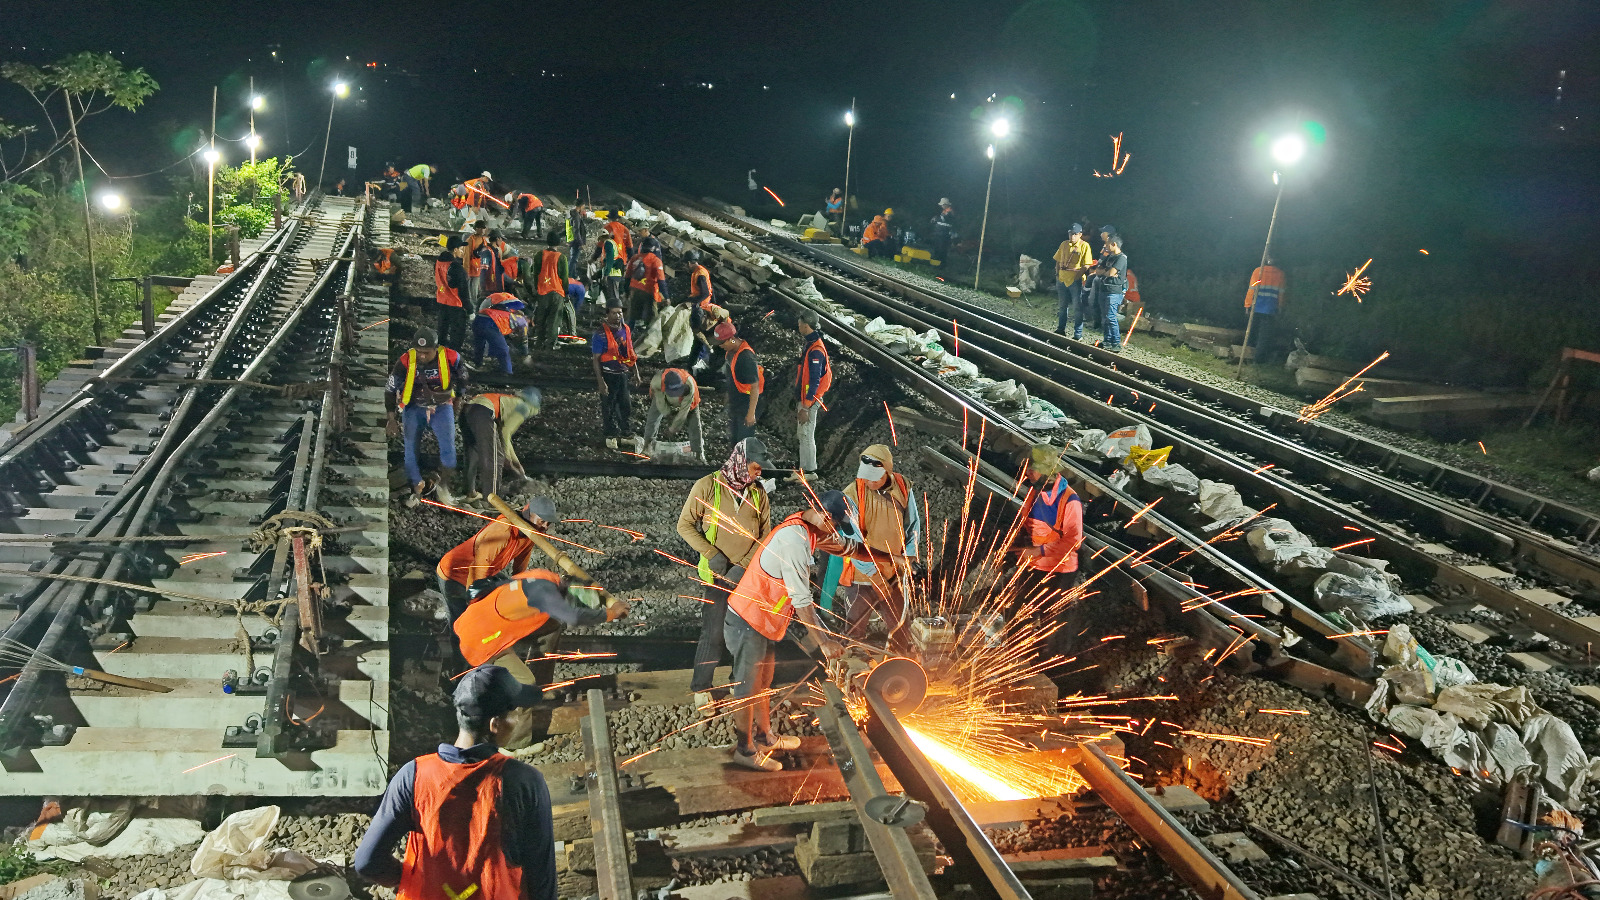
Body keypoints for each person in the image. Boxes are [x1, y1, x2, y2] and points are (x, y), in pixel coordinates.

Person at [352, 664, 558, 900]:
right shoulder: (524, 781)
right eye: (515, 712)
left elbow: (367, 861)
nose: (518, 718)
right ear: (495, 724)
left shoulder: (413, 775)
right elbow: (542, 879)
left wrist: (410, 878)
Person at [723, 490, 860, 770]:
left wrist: (890, 558)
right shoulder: (796, 541)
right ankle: (745, 752)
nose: (834, 532)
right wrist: (823, 642)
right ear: (825, 516)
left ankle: (764, 737)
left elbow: (845, 547)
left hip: (763, 623)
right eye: (835, 525)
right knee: (747, 690)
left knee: (762, 684)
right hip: (748, 621)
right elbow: (801, 601)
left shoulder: (809, 527)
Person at [676, 437, 774, 710]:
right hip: (716, 576)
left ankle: (738, 682)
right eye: (756, 467)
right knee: (714, 633)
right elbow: (684, 526)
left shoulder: (758, 492)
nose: (759, 472)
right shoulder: (708, 487)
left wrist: (743, 566)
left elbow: (765, 536)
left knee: (743, 633)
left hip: (745, 577)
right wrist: (714, 556)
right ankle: (701, 687)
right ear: (742, 462)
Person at [455, 569, 628, 673]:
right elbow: (573, 616)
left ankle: (535, 671)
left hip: (468, 622)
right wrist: (610, 613)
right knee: (524, 683)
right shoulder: (543, 594)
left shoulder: (542, 577)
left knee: (552, 624)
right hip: (481, 644)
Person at [841, 445, 920, 655]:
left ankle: (900, 669)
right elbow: (852, 541)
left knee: (900, 627)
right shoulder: (852, 494)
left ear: (888, 471)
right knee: (854, 631)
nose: (868, 481)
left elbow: (913, 524)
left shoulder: (903, 487)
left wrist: (910, 554)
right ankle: (852, 671)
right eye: (866, 476)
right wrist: (872, 574)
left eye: (874, 477)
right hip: (862, 576)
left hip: (893, 573)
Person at [1014, 443, 1084, 658]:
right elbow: (1026, 522)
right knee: (1021, 607)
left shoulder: (1070, 501)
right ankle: (1026, 652)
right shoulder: (1034, 492)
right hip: (1035, 563)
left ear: (1048, 473)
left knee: (1052, 617)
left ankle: (1052, 660)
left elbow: (1074, 541)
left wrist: (1038, 551)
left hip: (1059, 569)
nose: (1028, 473)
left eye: (1033, 469)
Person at [435, 495, 553, 622]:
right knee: (462, 623)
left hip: (487, 570)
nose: (545, 526)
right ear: (528, 514)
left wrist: (519, 589)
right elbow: (479, 568)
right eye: (542, 521)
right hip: (455, 574)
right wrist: (475, 601)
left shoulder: (531, 533)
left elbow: (521, 563)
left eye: (549, 523)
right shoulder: (502, 530)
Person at [386, 328, 466, 506]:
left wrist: (458, 402)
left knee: (449, 452)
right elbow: (390, 389)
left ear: (436, 349)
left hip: (442, 407)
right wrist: (391, 419)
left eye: (426, 352)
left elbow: (463, 379)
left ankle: (443, 486)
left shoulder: (452, 357)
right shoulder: (405, 361)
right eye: (419, 352)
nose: (421, 356)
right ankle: (417, 485)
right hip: (414, 408)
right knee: (410, 449)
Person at [461, 387, 542, 501]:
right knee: (495, 458)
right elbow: (506, 432)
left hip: (467, 410)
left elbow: (504, 437)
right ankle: (492, 500)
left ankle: (470, 492)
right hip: (482, 412)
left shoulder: (509, 402)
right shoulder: (525, 407)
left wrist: (515, 462)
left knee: (473, 452)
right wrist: (506, 458)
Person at [591, 305, 642, 450]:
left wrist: (636, 372)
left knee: (625, 404)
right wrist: (601, 382)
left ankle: (625, 431)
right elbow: (596, 359)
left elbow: (630, 351)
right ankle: (610, 433)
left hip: (622, 373)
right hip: (608, 374)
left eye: (620, 312)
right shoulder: (600, 334)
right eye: (614, 313)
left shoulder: (625, 329)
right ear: (607, 314)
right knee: (609, 405)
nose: (617, 315)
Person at [792, 310, 831, 481]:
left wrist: (806, 406)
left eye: (800, 325)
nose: (798, 327)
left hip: (810, 400)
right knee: (804, 434)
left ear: (806, 326)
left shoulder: (816, 350)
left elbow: (815, 380)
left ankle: (809, 472)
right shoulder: (812, 344)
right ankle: (804, 469)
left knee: (807, 434)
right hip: (806, 398)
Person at [716, 320, 763, 443]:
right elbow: (731, 377)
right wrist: (728, 395)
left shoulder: (746, 357)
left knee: (744, 442)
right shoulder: (730, 352)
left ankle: (746, 462)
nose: (721, 346)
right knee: (735, 440)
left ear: (731, 339)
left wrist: (751, 414)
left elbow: (755, 386)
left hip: (747, 403)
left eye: (722, 343)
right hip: (736, 401)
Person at [643, 368, 704, 460]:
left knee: (694, 423)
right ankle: (647, 445)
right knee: (653, 417)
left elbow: (684, 411)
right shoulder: (657, 383)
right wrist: (668, 414)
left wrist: (673, 428)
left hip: (688, 400)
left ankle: (698, 453)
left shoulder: (689, 386)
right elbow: (660, 403)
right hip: (663, 397)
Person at [1052, 224, 1094, 336]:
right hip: (1061, 279)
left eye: (1075, 234)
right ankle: (1061, 329)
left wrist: (1077, 276)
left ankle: (1078, 333)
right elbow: (1057, 260)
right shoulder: (1064, 244)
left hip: (1075, 281)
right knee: (1062, 306)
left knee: (1077, 307)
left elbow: (1087, 265)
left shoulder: (1085, 246)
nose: (1072, 236)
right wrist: (1057, 274)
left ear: (1080, 234)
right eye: (1070, 233)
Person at [530, 233, 569, 351]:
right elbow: (565, 277)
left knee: (541, 319)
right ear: (558, 243)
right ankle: (550, 344)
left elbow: (535, 273)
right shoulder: (561, 257)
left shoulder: (539, 255)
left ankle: (539, 342)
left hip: (542, 292)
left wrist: (537, 288)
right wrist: (566, 293)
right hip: (557, 292)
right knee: (554, 319)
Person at [471, 293, 528, 375]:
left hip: (478, 320)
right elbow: (524, 339)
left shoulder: (506, 313)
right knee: (504, 350)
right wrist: (525, 354)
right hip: (489, 324)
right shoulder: (523, 321)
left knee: (480, 344)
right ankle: (507, 373)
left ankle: (478, 364)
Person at [1243, 256, 1286, 361]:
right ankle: (1258, 359)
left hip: (1256, 306)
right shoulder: (1280, 275)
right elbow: (1281, 293)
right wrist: (1280, 307)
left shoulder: (1258, 271)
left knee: (1252, 331)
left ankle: (1246, 355)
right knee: (1264, 336)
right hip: (1270, 308)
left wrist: (1247, 305)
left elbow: (1251, 289)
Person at [1091, 234, 1128, 351]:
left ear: (1114, 244)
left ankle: (1116, 342)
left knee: (1111, 317)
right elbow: (1097, 270)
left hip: (1113, 292)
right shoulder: (1109, 257)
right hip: (1104, 289)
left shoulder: (1121, 258)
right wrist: (1105, 272)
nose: (1105, 246)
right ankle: (1107, 341)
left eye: (1107, 244)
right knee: (1105, 317)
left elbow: (1111, 273)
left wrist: (1105, 272)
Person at [434, 243, 469, 350]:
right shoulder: (456, 267)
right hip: (455, 303)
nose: (463, 252)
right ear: (455, 249)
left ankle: (439, 350)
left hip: (442, 299)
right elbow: (463, 290)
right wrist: (469, 308)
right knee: (457, 332)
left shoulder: (438, 262)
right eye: (461, 249)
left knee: (442, 328)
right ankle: (453, 355)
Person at [627, 240, 668, 329]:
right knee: (652, 317)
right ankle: (648, 337)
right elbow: (661, 280)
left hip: (634, 290)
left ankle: (627, 336)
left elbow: (627, 276)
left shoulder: (634, 258)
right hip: (649, 292)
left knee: (632, 315)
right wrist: (666, 296)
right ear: (653, 248)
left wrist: (626, 291)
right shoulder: (656, 260)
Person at [929, 199, 955, 265]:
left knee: (942, 249)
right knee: (937, 247)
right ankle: (935, 261)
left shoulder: (950, 211)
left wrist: (936, 218)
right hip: (939, 233)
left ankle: (941, 263)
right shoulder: (944, 211)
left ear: (946, 204)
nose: (941, 206)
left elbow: (945, 219)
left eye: (942, 205)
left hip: (944, 234)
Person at [566, 203, 588, 274]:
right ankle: (570, 275)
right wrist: (581, 243)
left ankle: (573, 274)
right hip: (576, 241)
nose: (583, 208)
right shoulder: (576, 216)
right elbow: (577, 230)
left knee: (573, 258)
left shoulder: (571, 214)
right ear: (580, 206)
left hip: (571, 239)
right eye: (583, 207)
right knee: (574, 259)